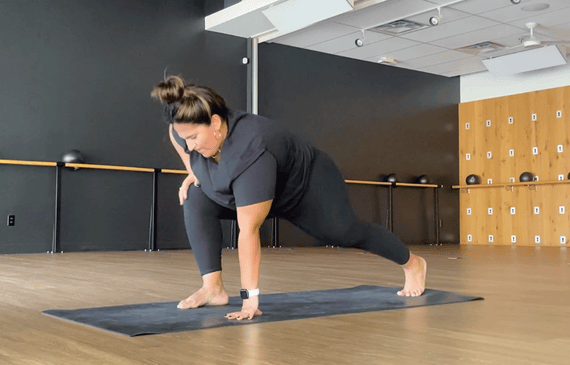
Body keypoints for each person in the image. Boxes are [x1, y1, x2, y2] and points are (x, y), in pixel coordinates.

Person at [150, 75, 427, 321]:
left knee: (344, 231)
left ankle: (412, 263)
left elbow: (248, 232)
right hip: (252, 184)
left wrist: (250, 298)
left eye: (194, 137)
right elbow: (180, 142)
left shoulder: (251, 148)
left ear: (215, 123)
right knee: (195, 196)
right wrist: (193, 171)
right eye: (185, 137)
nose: (190, 145)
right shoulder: (184, 128)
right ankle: (213, 288)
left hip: (305, 188)